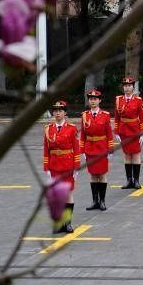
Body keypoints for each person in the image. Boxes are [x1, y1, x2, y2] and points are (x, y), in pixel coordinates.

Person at [43, 100, 80, 234]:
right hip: (54, 165)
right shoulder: (48, 129)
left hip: (67, 165)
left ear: (65, 113)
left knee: (68, 194)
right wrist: (46, 167)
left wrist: (76, 167)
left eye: (60, 111)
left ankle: (67, 223)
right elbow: (46, 149)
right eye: (55, 111)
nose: (57, 113)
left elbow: (76, 148)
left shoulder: (71, 128)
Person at [80, 89, 114, 211]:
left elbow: (109, 133)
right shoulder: (84, 115)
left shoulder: (105, 115)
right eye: (91, 99)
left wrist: (110, 149)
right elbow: (83, 135)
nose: (93, 101)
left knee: (102, 175)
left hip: (102, 148)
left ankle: (102, 201)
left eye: (95, 99)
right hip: (90, 148)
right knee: (93, 175)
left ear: (99, 100)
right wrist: (82, 150)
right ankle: (95, 201)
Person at [114, 77, 143, 189]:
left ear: (133, 87)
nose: (127, 88)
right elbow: (117, 117)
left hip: (135, 130)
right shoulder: (119, 100)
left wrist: (142, 133)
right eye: (125, 86)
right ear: (123, 87)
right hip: (123, 130)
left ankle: (136, 180)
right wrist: (116, 132)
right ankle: (129, 180)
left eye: (129, 86)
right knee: (127, 155)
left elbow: (142, 118)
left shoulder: (138, 100)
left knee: (136, 154)